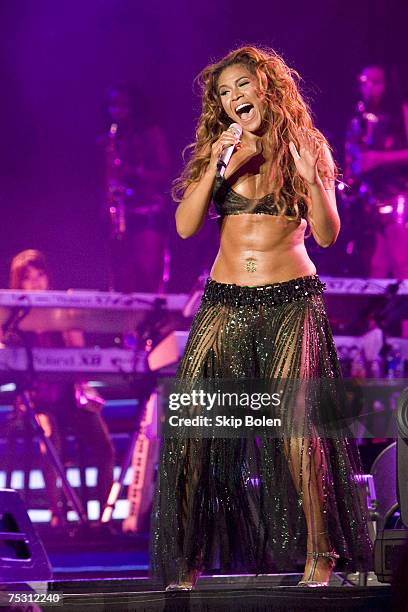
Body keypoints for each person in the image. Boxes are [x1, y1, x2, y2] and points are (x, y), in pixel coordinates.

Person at [150, 47, 373, 589]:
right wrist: (218, 166)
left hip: (289, 300)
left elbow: (326, 234)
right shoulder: (217, 149)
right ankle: (187, 564)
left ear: (266, 87)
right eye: (224, 93)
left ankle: (320, 555)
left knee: (300, 433)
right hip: (224, 302)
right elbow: (184, 227)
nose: (234, 99)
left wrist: (311, 179)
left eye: (242, 86)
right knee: (198, 429)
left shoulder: (306, 144)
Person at [3, 249, 115, 526]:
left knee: (105, 447)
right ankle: (57, 516)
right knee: (49, 440)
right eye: (29, 279)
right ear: (19, 284)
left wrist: (69, 326)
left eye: (40, 276)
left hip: (70, 394)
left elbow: (79, 356)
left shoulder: (64, 309)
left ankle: (101, 518)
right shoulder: (13, 316)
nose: (37, 283)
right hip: (38, 398)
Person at [101, 83, 171, 292]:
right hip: (123, 214)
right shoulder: (113, 137)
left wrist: (131, 171)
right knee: (123, 274)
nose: (116, 111)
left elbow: (165, 173)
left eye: (122, 105)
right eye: (112, 105)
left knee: (148, 273)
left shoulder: (152, 135)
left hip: (148, 211)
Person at [344, 65, 408, 278]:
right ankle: (378, 311)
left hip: (395, 193)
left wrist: (379, 159)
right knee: (376, 264)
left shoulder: (401, 112)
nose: (369, 88)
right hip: (367, 197)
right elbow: (352, 155)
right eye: (364, 82)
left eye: (376, 82)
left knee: (401, 260)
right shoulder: (358, 116)